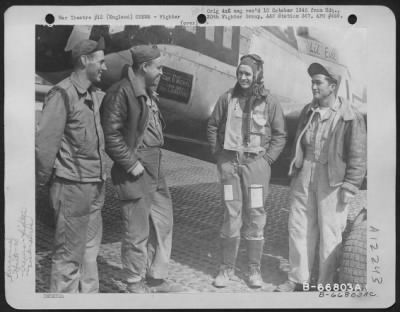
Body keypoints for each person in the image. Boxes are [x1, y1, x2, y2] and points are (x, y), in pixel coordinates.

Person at [275, 63, 367, 292]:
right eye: (312, 82)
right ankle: (298, 279)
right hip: (304, 174)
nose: (313, 87)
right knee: (298, 227)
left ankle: (325, 284)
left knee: (331, 233)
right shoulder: (308, 110)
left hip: (332, 180)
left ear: (332, 86)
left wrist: (350, 185)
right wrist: (295, 172)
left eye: (318, 82)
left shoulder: (350, 116)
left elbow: (358, 154)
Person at [101, 45, 182, 293]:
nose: (161, 73)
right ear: (144, 66)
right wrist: (131, 163)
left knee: (163, 221)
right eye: (158, 68)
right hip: (136, 166)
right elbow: (111, 135)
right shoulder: (120, 92)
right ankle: (135, 281)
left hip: (155, 164)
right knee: (136, 229)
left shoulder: (147, 91)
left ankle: (156, 277)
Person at [207, 54, 287, 288]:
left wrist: (267, 160)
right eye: (240, 73)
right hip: (230, 167)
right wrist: (219, 155)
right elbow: (212, 126)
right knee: (231, 214)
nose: (243, 77)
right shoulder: (227, 99)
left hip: (255, 168)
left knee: (255, 214)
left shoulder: (270, 102)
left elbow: (280, 135)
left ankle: (253, 270)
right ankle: (226, 268)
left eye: (248, 74)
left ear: (257, 75)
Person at [36, 37, 108, 293]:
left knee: (90, 257)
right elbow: (45, 147)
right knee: (68, 257)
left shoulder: (94, 95)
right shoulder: (62, 94)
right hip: (72, 187)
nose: (105, 67)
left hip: (95, 185)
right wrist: (46, 184)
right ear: (84, 61)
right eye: (100, 61)